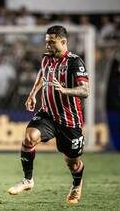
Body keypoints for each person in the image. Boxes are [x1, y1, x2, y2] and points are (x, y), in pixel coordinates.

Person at [7, 25, 89, 205]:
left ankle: (76, 184)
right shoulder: (46, 59)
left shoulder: (75, 62)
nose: (48, 46)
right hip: (48, 114)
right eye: (46, 42)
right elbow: (42, 74)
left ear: (63, 41)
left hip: (70, 120)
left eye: (52, 42)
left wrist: (64, 90)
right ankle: (28, 180)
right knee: (29, 138)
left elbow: (85, 90)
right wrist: (32, 93)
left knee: (72, 162)